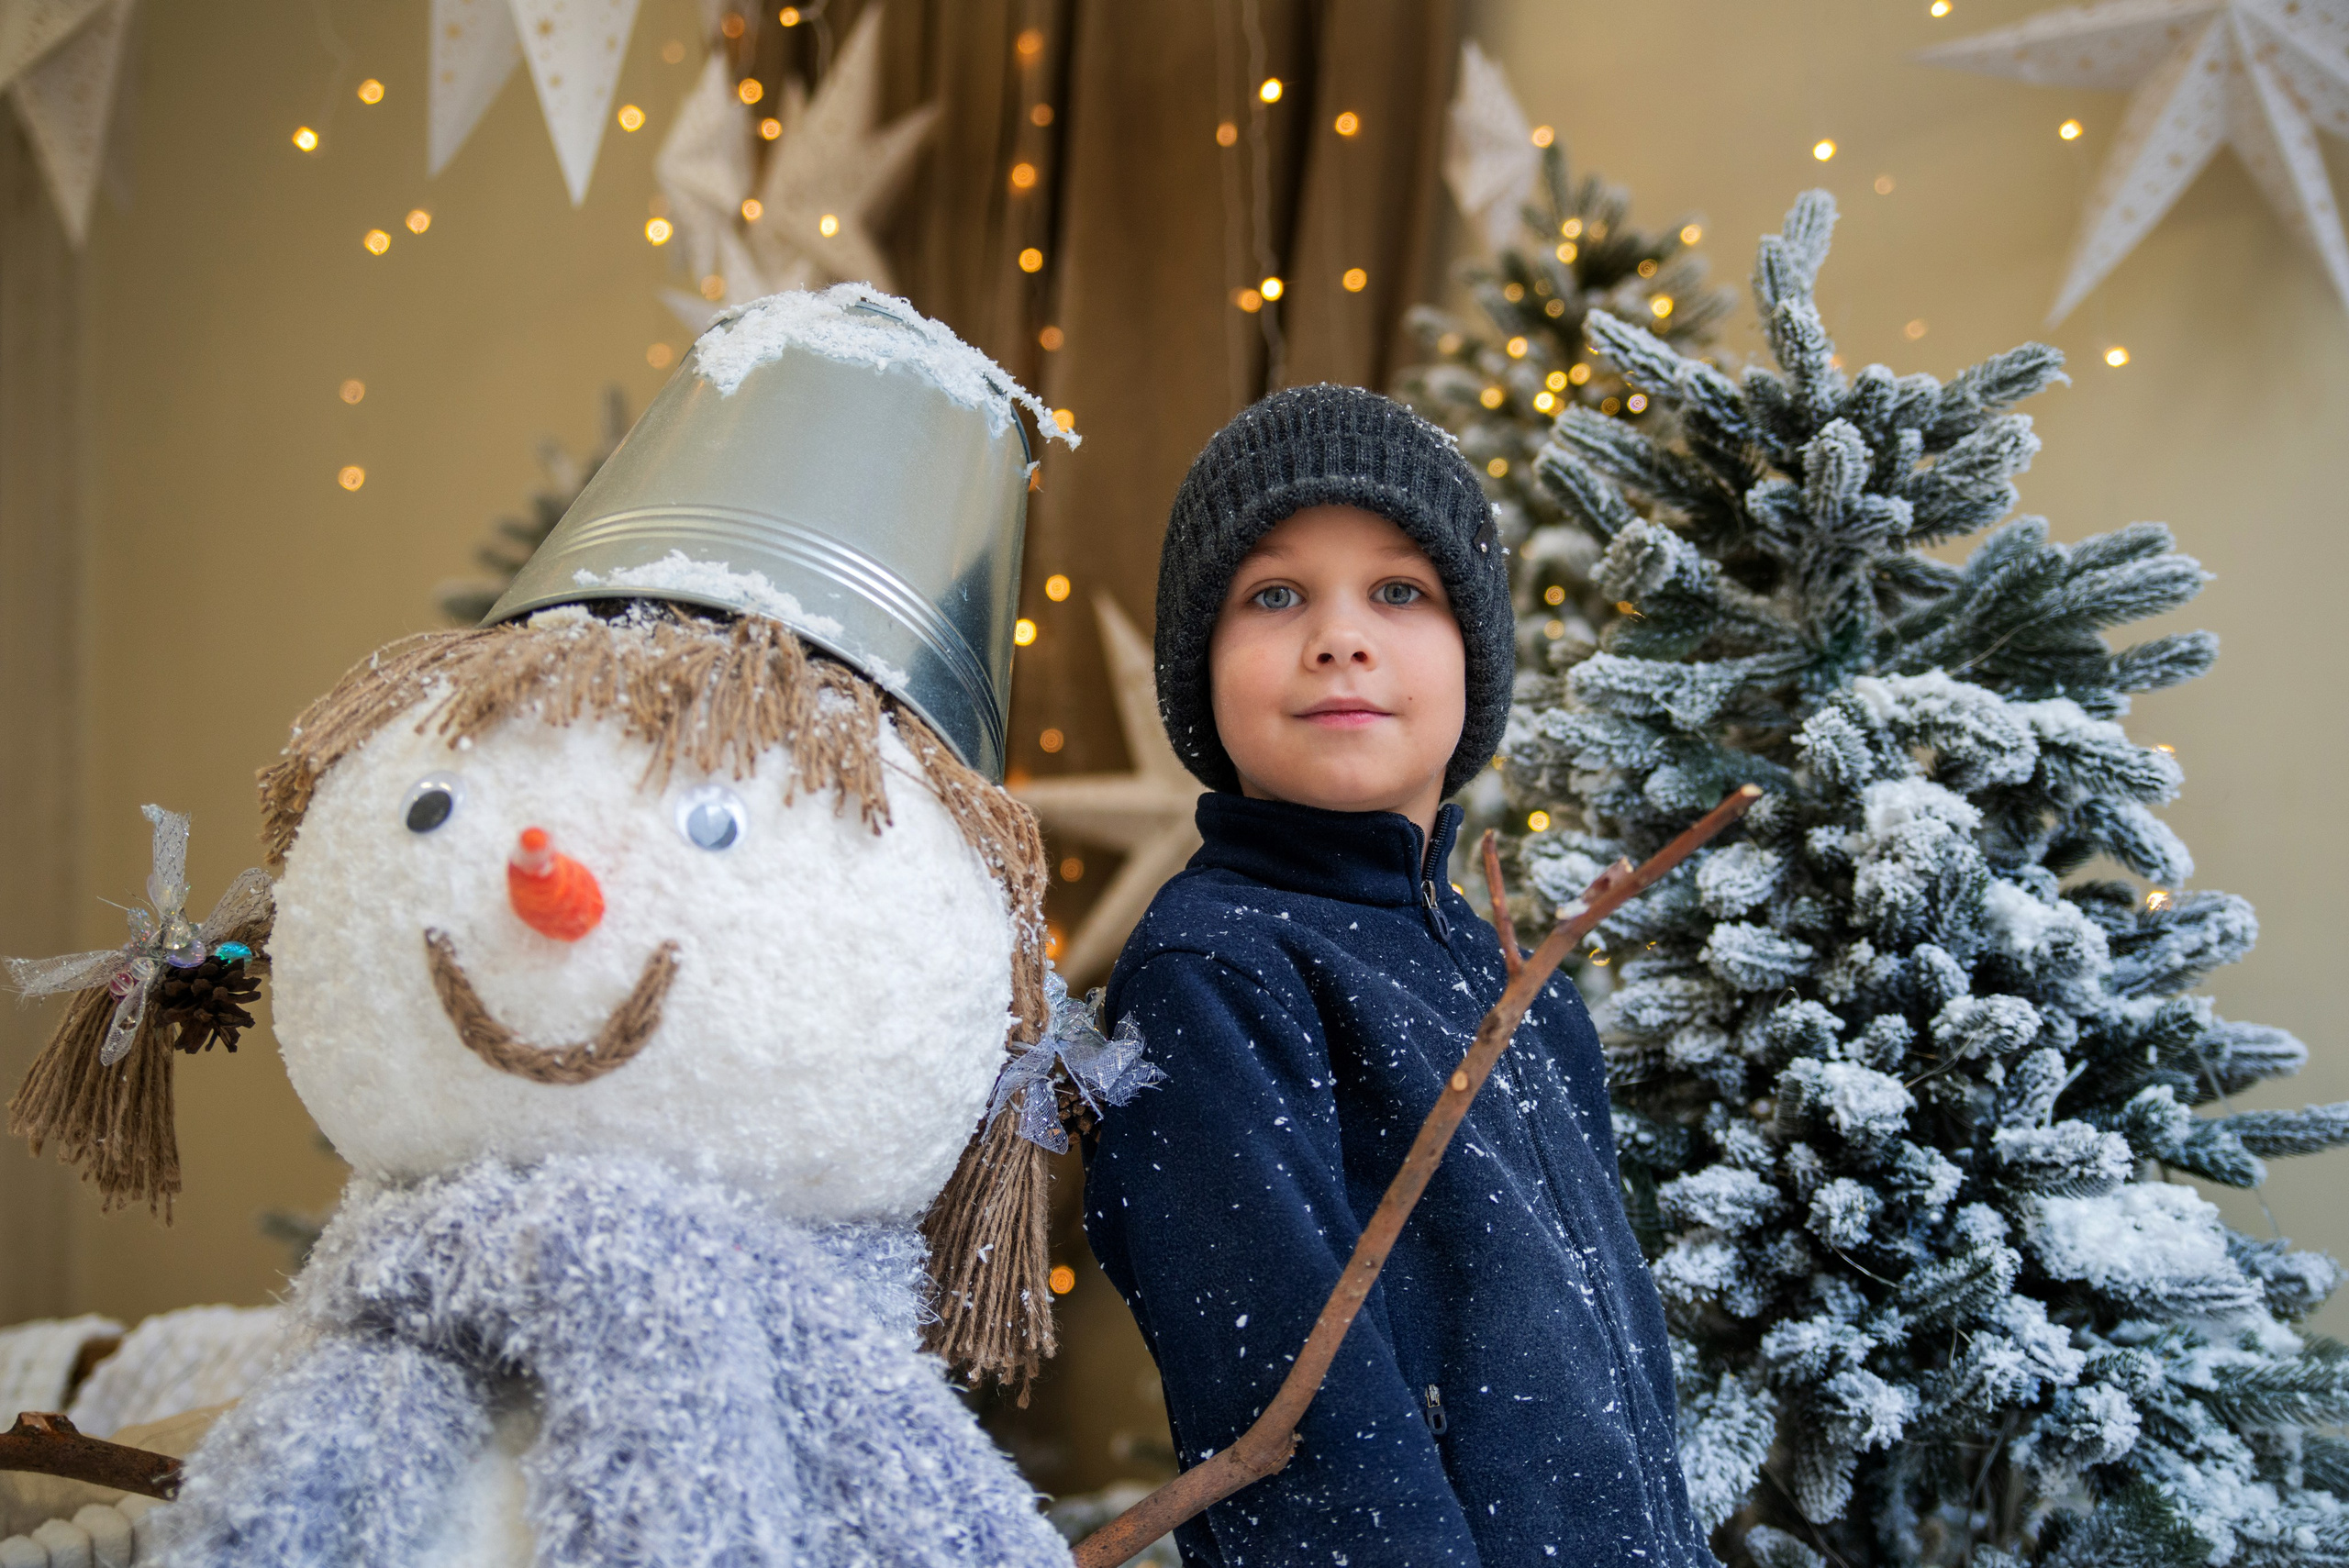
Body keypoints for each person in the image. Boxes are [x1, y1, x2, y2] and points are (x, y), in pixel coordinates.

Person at [1081, 385, 1720, 1567]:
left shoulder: (1513, 977)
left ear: (1475, 656)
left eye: (1400, 591)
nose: (1340, 636)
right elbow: (1305, 1448)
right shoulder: (1216, 975)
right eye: (1274, 595)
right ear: (1196, 669)